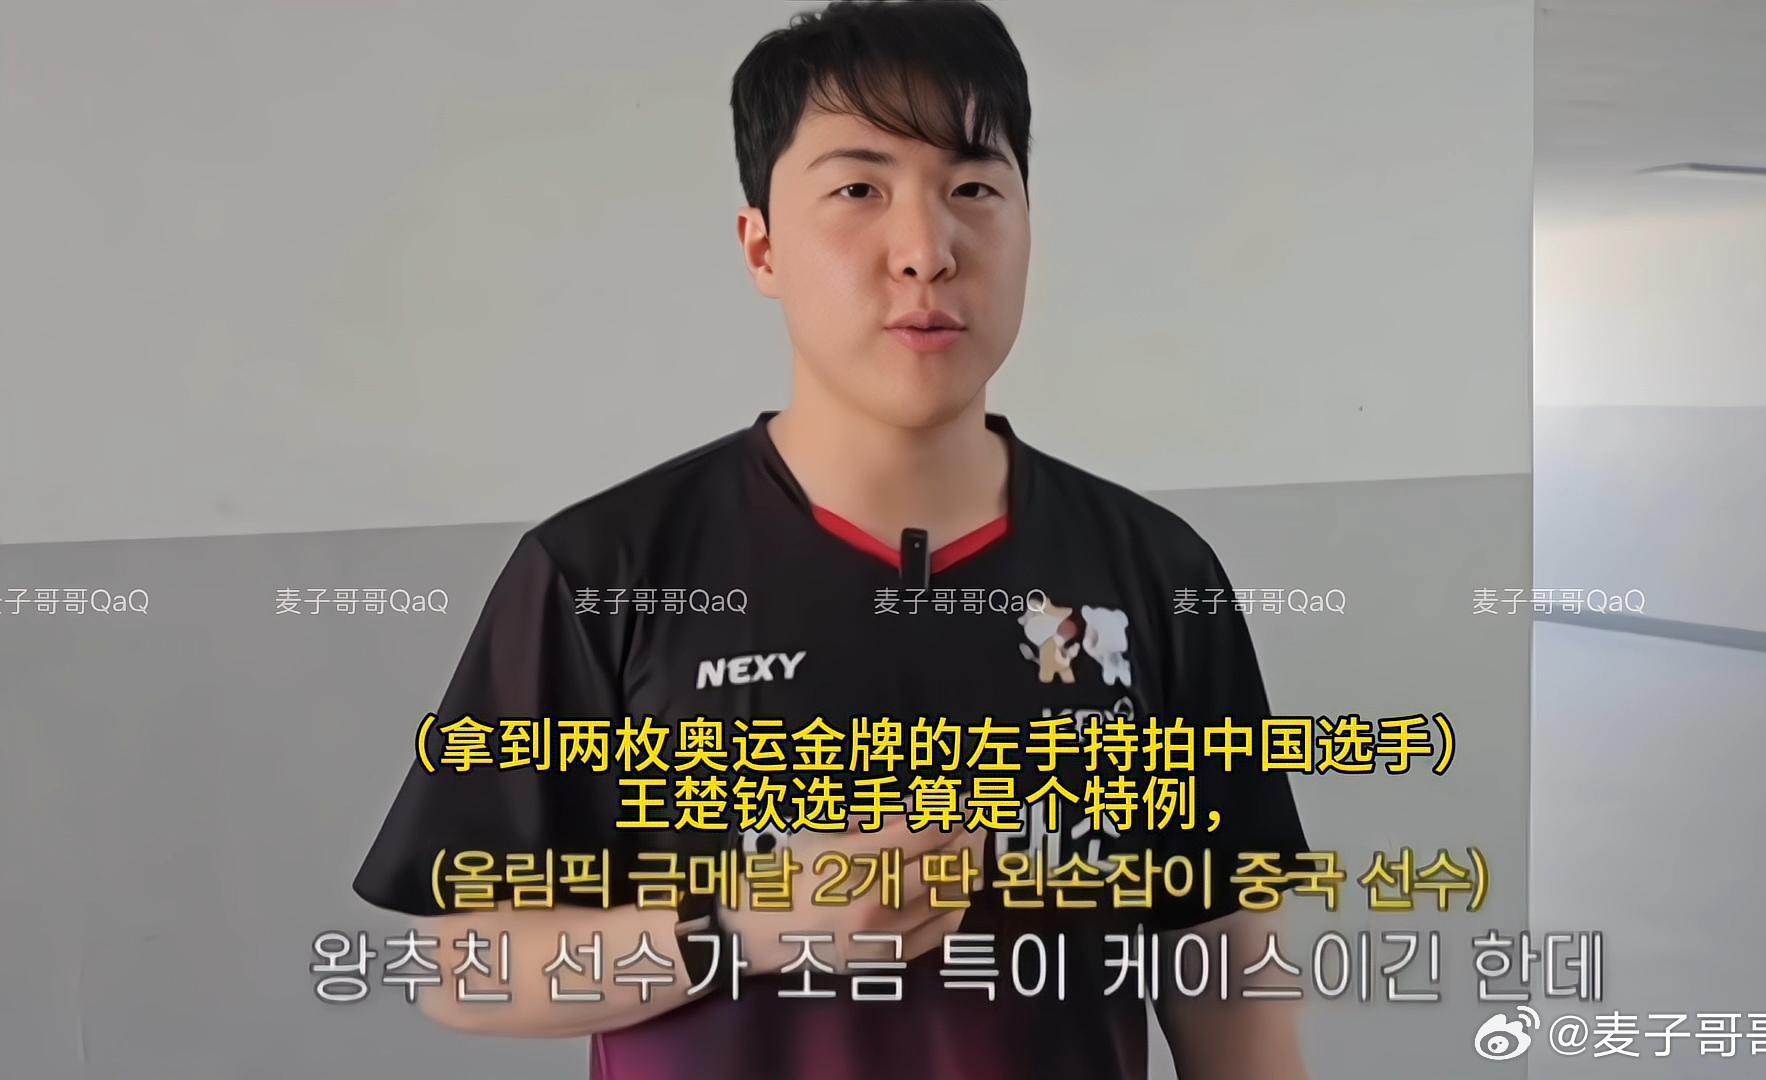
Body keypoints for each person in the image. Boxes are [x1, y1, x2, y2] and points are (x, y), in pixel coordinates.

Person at [353, 2, 1313, 1076]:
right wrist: (741, 927)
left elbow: (1231, 981)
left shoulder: (1156, 572)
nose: (927, 251)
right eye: (859, 190)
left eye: (973, 189)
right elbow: (462, 966)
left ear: (1027, 227)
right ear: (762, 245)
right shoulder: (604, 572)